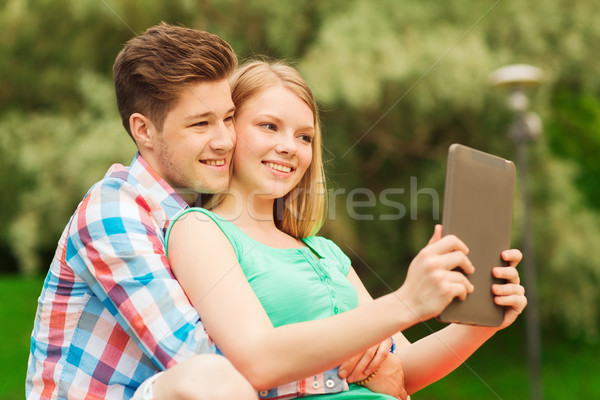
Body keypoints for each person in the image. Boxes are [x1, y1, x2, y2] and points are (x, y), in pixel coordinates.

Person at [165, 60, 527, 398]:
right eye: (269, 126)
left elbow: (405, 371)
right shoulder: (200, 230)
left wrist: (482, 324)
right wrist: (407, 301)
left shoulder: (324, 252)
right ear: (228, 130)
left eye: (305, 137)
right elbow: (258, 362)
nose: (289, 147)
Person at [26, 23, 257, 400]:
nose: (226, 139)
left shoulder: (206, 212)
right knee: (205, 378)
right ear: (144, 131)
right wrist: (338, 368)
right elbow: (196, 355)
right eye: (201, 123)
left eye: (228, 118)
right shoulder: (112, 211)